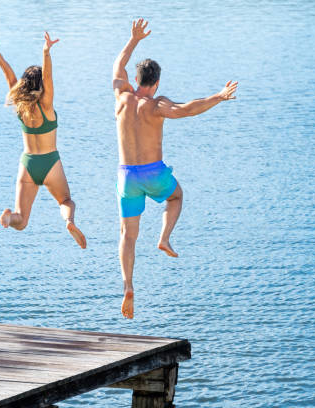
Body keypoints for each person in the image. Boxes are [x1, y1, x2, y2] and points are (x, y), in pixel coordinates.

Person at [113, 19, 238, 318]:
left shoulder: (121, 97)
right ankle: (164, 237)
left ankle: (128, 285)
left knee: (127, 235)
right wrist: (218, 97)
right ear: (155, 83)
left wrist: (133, 40)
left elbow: (118, 64)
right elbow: (187, 109)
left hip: (126, 176)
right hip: (153, 173)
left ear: (136, 79)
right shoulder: (156, 105)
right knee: (176, 196)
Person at [0, 29, 86, 249]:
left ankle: (8, 217)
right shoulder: (47, 106)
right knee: (66, 201)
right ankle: (69, 222)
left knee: (21, 221)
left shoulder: (20, 106)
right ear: (41, 86)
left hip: (28, 164)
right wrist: (46, 51)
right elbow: (49, 77)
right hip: (51, 163)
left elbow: (6, 70)